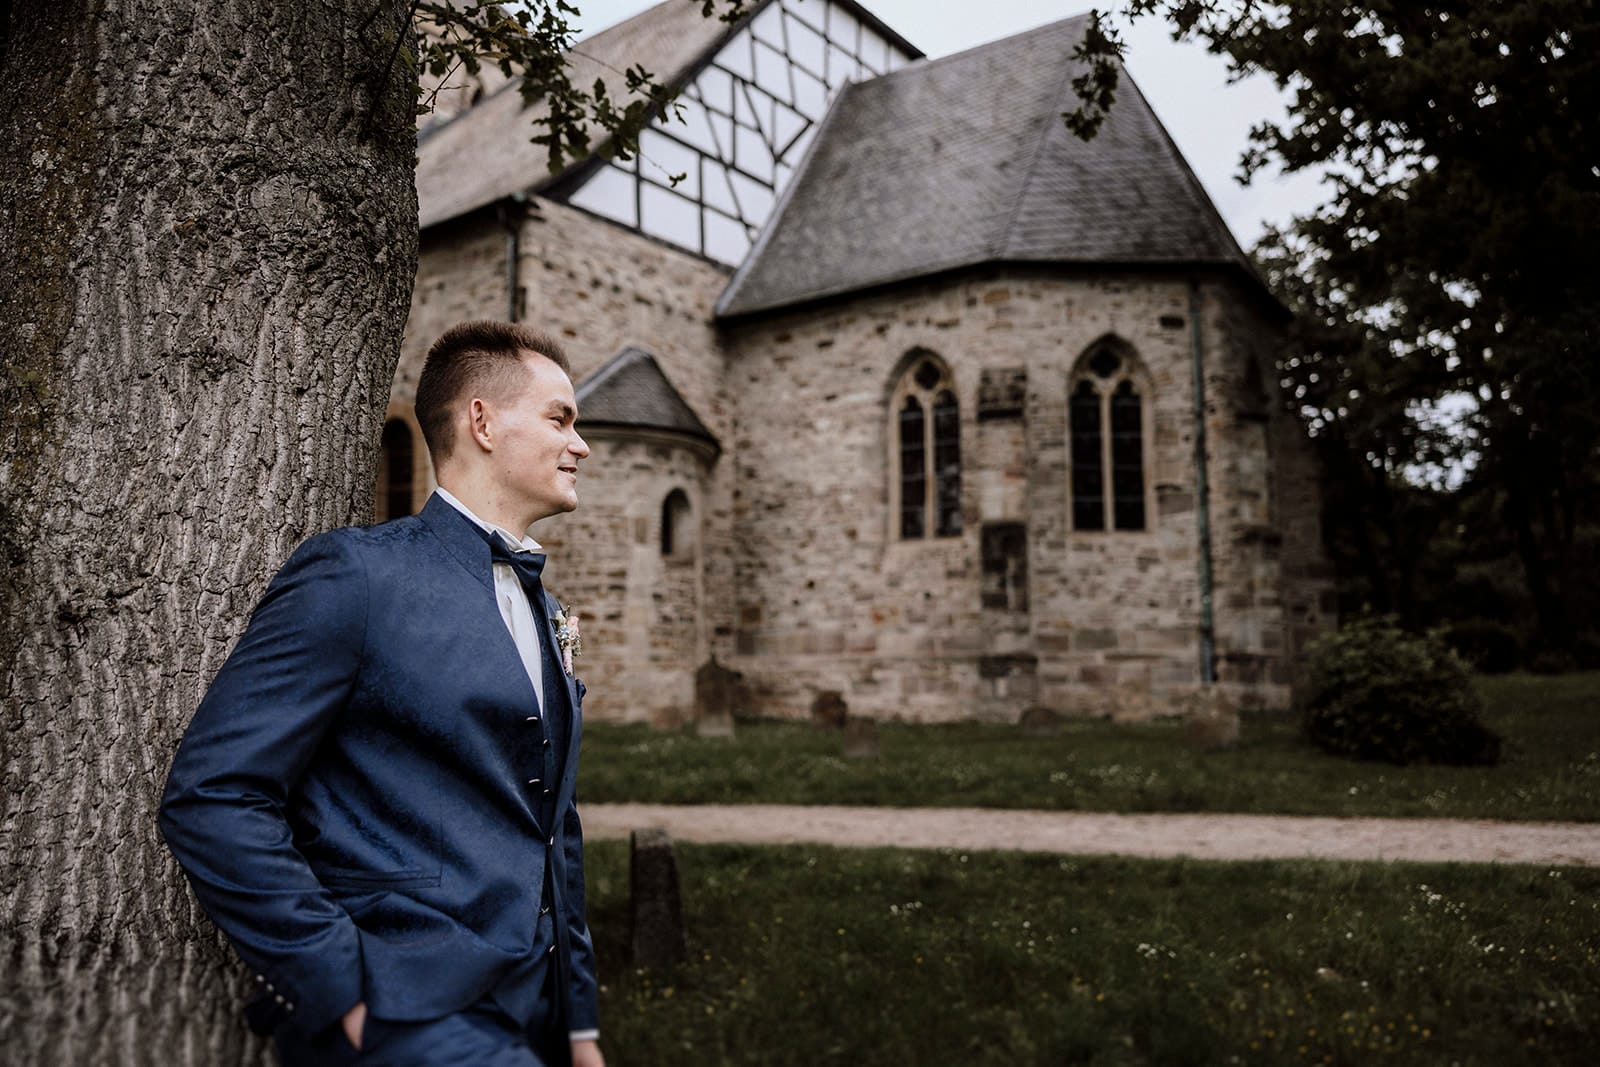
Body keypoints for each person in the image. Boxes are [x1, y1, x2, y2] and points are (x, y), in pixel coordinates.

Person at [160, 321, 603, 1067]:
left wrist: (579, 1025)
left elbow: (554, 825)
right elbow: (213, 793)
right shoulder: (355, 577)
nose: (581, 444)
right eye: (561, 418)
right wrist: (344, 990)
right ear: (483, 421)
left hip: (532, 1007)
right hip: (407, 1008)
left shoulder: (547, 609)